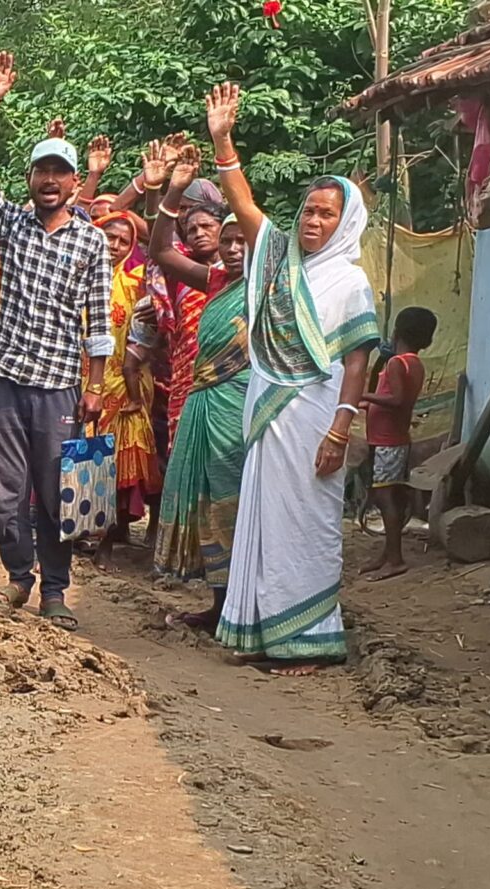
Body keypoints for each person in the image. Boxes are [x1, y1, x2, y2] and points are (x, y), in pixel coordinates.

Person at [201, 82, 380, 671]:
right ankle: (259, 632)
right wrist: (223, 143)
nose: (312, 221)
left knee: (307, 524)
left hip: (315, 421)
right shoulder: (278, 259)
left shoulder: (350, 283)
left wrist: (340, 429)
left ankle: (311, 639)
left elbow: (357, 359)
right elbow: (246, 208)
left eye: (326, 214)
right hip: (268, 413)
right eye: (308, 210)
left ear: (346, 223)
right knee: (265, 518)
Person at [0, 52, 118, 628]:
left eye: (60, 172)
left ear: (75, 183)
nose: (49, 181)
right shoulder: (13, 223)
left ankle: (54, 590)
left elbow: (99, 321)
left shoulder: (91, 242)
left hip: (58, 387)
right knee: (3, 498)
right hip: (6, 378)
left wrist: (95, 387)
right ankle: (18, 571)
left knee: (55, 496)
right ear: (31, 179)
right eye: (41, 171)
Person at [147, 159, 254, 631]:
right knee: (211, 505)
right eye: (226, 242)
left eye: (240, 240)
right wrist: (172, 194)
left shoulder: (270, 289)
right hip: (203, 402)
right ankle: (219, 602)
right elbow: (160, 251)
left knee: (241, 503)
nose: (232, 249)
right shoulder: (213, 282)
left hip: (245, 408)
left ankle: (246, 606)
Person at [84, 206, 154, 551]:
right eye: (109, 236)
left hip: (122, 382)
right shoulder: (75, 275)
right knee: (78, 455)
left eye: (124, 241)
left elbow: (160, 246)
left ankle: (109, 539)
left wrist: (147, 191)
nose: (114, 245)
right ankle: (78, 530)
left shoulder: (135, 283)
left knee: (114, 462)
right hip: (78, 378)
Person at [361, 307, 437, 581]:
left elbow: (396, 399)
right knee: (388, 496)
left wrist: (366, 395)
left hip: (388, 441)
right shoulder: (413, 362)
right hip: (393, 439)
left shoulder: (396, 363)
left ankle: (395, 558)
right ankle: (387, 553)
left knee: (385, 498)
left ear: (396, 332)